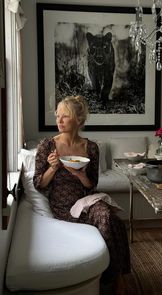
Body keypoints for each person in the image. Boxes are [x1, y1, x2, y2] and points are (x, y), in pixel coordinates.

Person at [33, 95, 131, 294]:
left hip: (85, 201)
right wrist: (52, 168)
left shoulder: (91, 148)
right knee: (114, 222)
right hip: (62, 206)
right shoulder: (47, 146)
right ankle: (116, 277)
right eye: (57, 116)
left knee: (107, 217)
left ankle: (114, 276)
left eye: (65, 116)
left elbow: (91, 185)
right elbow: (39, 184)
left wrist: (79, 173)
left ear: (78, 120)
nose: (59, 121)